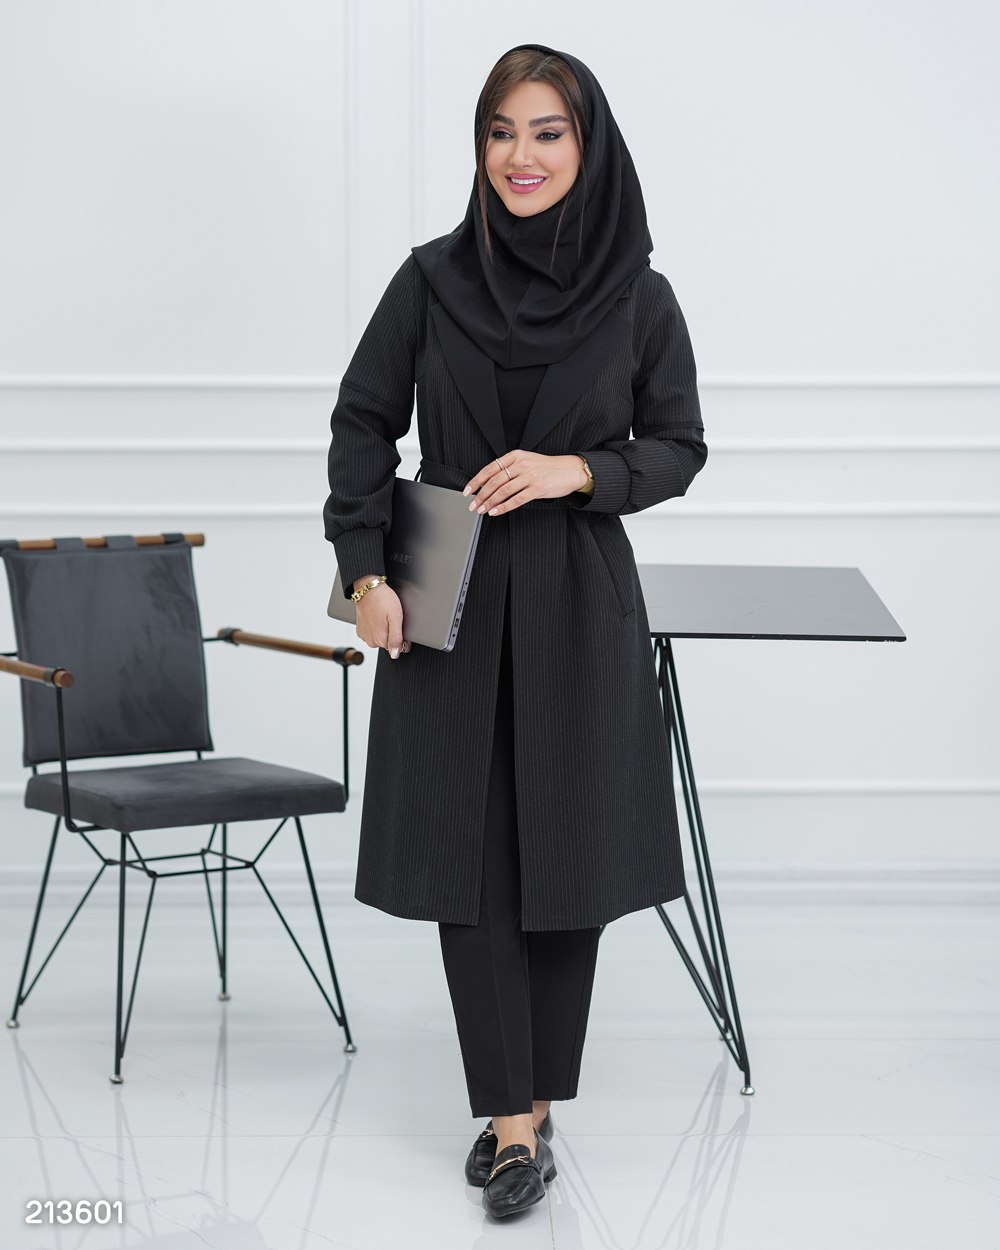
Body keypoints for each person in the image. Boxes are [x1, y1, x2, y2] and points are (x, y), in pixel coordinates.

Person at [323, 42, 707, 1218]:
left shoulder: (638, 295)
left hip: (576, 599)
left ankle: (523, 1113)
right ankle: (512, 1119)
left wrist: (573, 470)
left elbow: (677, 446)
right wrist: (364, 571)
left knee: (566, 859)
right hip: (444, 594)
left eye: (547, 132)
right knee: (468, 860)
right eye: (500, 132)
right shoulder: (430, 280)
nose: (520, 156)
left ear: (588, 146)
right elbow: (361, 421)